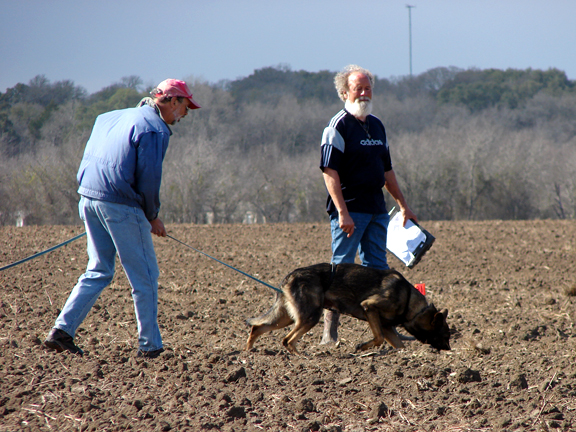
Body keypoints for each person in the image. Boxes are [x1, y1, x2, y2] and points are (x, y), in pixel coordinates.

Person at [44, 79, 201, 358]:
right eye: (186, 106)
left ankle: (62, 332)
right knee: (146, 276)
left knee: (99, 270)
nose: (187, 113)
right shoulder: (154, 129)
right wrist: (152, 217)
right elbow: (149, 180)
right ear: (173, 101)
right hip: (119, 206)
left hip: (89, 199)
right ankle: (150, 347)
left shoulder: (109, 117)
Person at [319, 65, 417, 344]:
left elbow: (387, 171)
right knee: (341, 269)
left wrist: (403, 205)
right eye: (358, 88)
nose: (364, 93)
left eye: (368, 87)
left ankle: (387, 331)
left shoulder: (377, 125)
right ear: (344, 93)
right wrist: (342, 212)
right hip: (350, 210)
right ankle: (329, 334)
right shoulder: (337, 126)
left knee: (379, 271)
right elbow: (329, 172)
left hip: (376, 209)